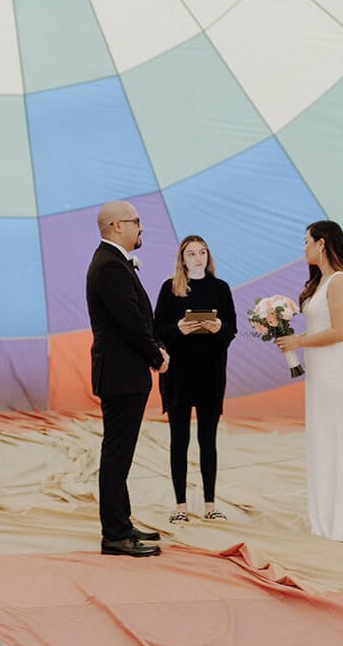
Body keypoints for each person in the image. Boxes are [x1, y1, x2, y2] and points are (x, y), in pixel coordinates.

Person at [272, 221, 343, 542]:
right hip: (319, 374)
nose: (303, 247)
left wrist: (298, 342)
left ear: (321, 243)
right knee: (322, 438)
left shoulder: (339, 282)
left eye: (306, 241)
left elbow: (339, 332)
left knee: (336, 437)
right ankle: (328, 513)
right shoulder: (321, 283)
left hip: (333, 372)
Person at [87, 200, 169, 557]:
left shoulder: (113, 263)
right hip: (122, 376)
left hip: (123, 374)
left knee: (120, 453)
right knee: (117, 454)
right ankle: (115, 534)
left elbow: (138, 318)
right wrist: (156, 355)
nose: (142, 228)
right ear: (117, 226)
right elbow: (131, 321)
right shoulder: (110, 266)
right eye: (137, 222)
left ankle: (121, 520)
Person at [153, 236, 238, 523]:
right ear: (182, 258)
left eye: (202, 252)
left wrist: (218, 328)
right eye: (191, 253)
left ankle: (210, 504)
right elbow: (157, 330)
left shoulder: (220, 288)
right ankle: (180, 506)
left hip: (210, 373)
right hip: (178, 374)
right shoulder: (170, 288)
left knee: (208, 440)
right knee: (179, 440)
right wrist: (179, 329)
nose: (198, 257)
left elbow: (232, 329)